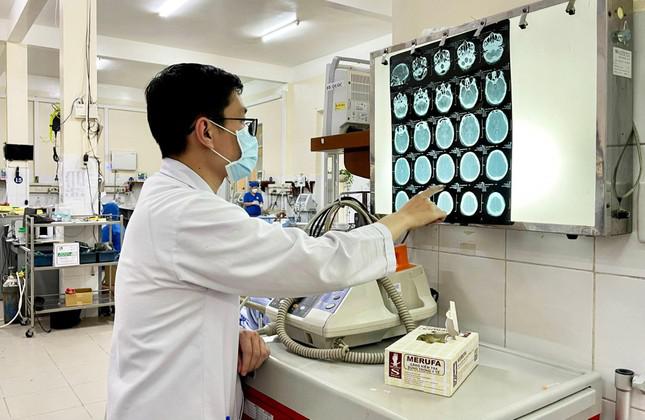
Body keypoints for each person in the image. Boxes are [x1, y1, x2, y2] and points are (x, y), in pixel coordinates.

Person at [106, 63, 446, 420]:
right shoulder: (187, 212)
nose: (246, 136)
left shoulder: (167, 197)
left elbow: (180, 305)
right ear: (206, 131)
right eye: (241, 123)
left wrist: (227, 334)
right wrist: (401, 219)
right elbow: (308, 259)